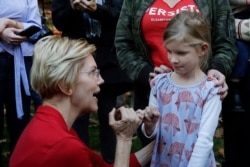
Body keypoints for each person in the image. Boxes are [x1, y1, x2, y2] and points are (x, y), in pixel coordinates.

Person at [9, 35, 156, 167]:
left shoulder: (54, 128)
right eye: (93, 73)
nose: (101, 80)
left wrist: (163, 141)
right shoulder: (64, 146)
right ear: (66, 85)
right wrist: (124, 138)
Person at [115, 0, 237, 146]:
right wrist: (145, 73)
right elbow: (123, 43)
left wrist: (218, 68)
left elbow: (226, 41)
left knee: (197, 146)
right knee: (153, 150)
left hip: (198, 94)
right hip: (152, 92)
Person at [52, 0, 133, 163]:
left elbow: (120, 17)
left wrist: (97, 10)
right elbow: (58, 21)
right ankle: (80, 160)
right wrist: (72, 8)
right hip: (77, 62)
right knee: (77, 119)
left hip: (107, 61)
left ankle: (112, 162)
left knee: (109, 116)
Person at [140, 11, 222, 167]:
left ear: (203, 49)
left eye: (181, 53)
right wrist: (149, 124)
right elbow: (154, 133)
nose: (173, 59)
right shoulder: (159, 84)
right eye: (169, 51)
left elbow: (204, 141)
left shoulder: (210, 90)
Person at [0, 0, 41, 165]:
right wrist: (2, 34)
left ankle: (19, 160)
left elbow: (37, 29)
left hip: (21, 61)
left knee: (20, 120)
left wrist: (12, 24)